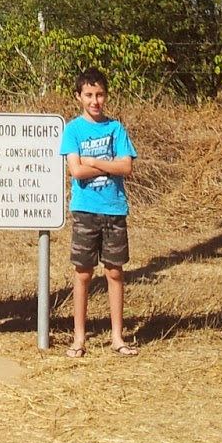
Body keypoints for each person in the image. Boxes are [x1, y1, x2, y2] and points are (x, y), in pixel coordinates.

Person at [59, 67, 138, 356]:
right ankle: (79, 337)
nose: (95, 101)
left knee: (114, 272)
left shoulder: (116, 129)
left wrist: (94, 160)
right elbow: (76, 171)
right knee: (83, 274)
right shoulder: (73, 130)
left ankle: (118, 337)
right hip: (85, 210)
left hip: (114, 209)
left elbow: (126, 167)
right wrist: (106, 163)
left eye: (100, 95)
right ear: (79, 96)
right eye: (89, 95)